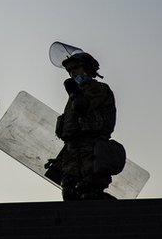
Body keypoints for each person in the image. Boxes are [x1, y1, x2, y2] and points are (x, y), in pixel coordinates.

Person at [48, 51, 117, 200]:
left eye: (75, 68)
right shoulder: (75, 94)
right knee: (69, 192)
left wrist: (75, 93)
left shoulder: (98, 89)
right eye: (70, 70)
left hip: (92, 150)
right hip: (72, 152)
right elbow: (71, 130)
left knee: (90, 192)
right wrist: (60, 160)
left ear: (86, 69)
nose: (72, 73)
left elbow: (82, 107)